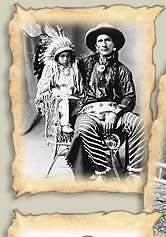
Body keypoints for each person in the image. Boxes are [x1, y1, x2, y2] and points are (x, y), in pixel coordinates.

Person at [66, 24, 145, 180]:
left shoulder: (123, 71)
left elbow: (130, 96)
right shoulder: (83, 64)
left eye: (108, 40)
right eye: (100, 41)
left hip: (115, 112)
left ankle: (134, 172)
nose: (104, 44)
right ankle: (102, 169)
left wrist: (114, 114)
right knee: (83, 128)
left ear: (114, 45)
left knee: (137, 123)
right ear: (95, 46)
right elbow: (65, 64)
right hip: (89, 111)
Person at [34, 25, 83, 136]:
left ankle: (79, 128)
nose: (66, 59)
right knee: (64, 100)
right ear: (57, 57)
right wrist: (46, 93)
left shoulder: (74, 68)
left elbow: (80, 84)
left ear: (71, 57)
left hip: (72, 94)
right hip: (58, 94)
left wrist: (80, 94)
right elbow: (45, 85)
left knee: (81, 104)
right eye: (62, 56)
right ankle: (65, 125)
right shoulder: (52, 68)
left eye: (68, 56)